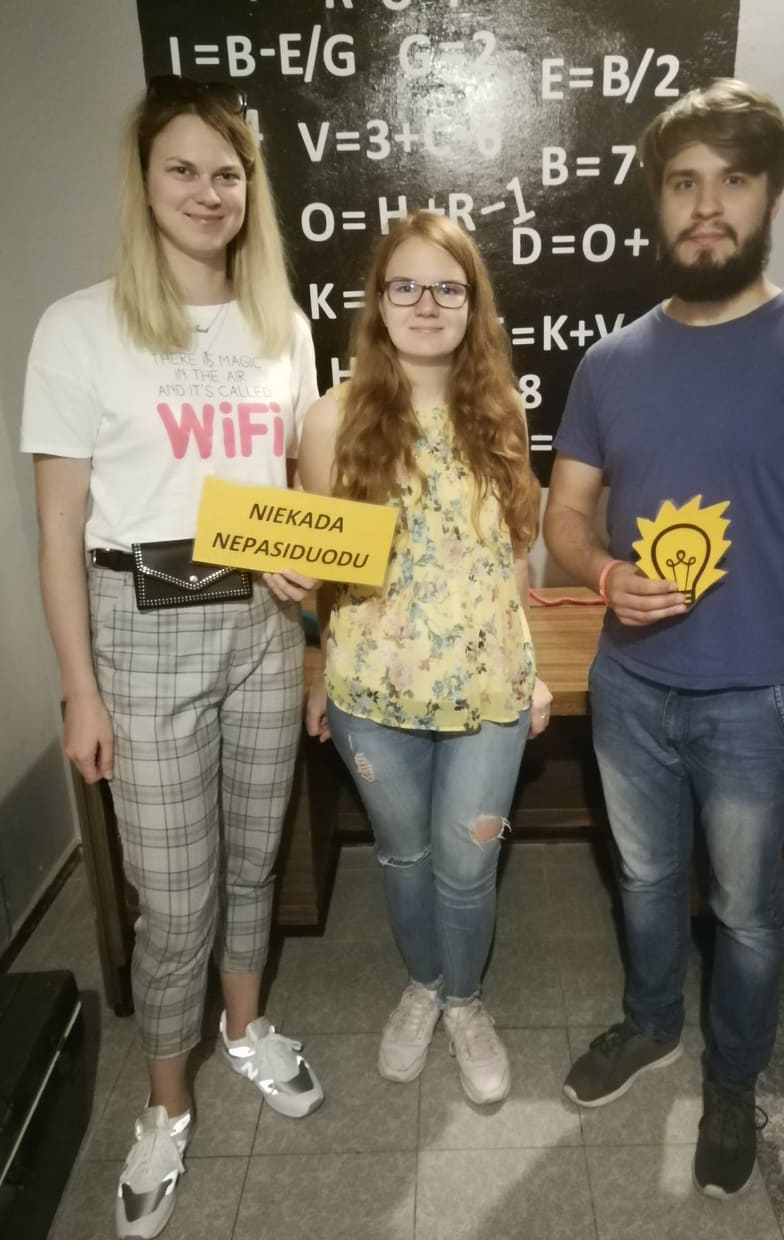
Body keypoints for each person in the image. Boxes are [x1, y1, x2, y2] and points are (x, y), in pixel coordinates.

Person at [544, 79, 784, 1198]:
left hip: (762, 701)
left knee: (746, 913)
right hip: (631, 689)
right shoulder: (612, 363)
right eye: (685, 183)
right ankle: (654, 1024)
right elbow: (564, 515)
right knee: (646, 879)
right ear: (659, 201)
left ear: (770, 196)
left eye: (732, 181)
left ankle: (735, 1077)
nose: (707, 206)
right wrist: (605, 573)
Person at [21, 77, 324, 1239]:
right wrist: (79, 688)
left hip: (259, 628)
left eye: (227, 173)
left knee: (255, 858)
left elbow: (291, 491)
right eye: (183, 170)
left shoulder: (280, 323)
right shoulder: (78, 326)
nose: (208, 192)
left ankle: (245, 1030)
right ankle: (165, 1101)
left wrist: (307, 577)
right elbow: (58, 528)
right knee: (173, 894)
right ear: (144, 184)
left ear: (251, 190)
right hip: (140, 632)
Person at [299, 211, 552, 1105]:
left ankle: (466, 1002)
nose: (426, 304)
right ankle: (425, 985)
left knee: (467, 864)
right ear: (377, 301)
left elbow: (513, 554)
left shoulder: (501, 410)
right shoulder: (330, 418)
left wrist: (532, 666)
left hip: (486, 689)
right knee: (402, 858)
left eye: (448, 288)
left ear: (473, 304)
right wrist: (315, 656)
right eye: (404, 285)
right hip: (373, 692)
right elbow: (324, 565)